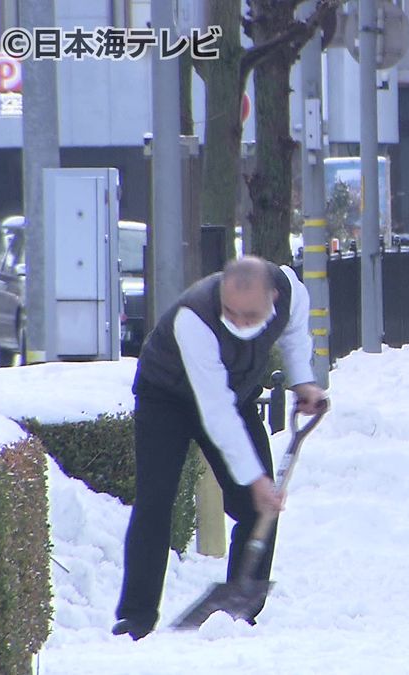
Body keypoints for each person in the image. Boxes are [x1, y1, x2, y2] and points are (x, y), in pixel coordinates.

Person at [112, 256, 328, 640]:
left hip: (235, 393)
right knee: (155, 503)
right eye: (231, 312)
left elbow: (295, 337)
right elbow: (215, 412)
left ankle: (238, 611)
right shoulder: (194, 318)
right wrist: (256, 477)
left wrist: (303, 382)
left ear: (273, 298)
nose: (240, 322)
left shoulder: (292, 292)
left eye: (250, 315)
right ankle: (136, 617)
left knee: (257, 506)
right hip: (167, 397)